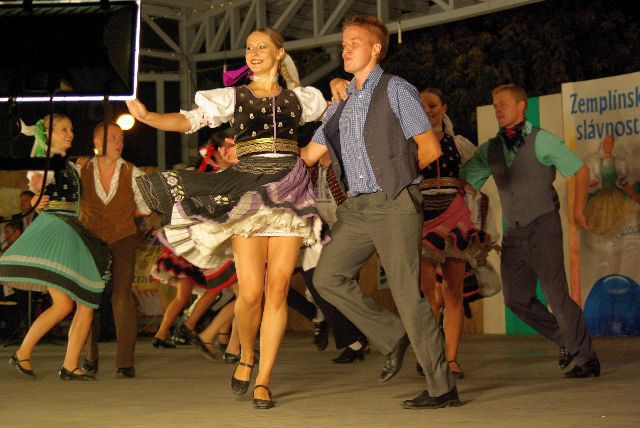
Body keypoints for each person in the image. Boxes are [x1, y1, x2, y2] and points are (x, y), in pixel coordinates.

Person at [126, 27, 327, 409]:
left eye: (262, 46)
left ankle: (264, 379)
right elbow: (189, 121)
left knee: (278, 289)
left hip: (289, 191)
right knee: (250, 294)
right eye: (249, 47)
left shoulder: (302, 99)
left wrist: (338, 89)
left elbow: (339, 116)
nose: (253, 52)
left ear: (279, 53)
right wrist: (148, 116)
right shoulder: (234, 97)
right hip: (247, 191)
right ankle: (246, 354)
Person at [300, 15, 459, 409]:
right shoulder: (340, 102)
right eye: (343, 43)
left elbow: (430, 149)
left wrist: (397, 179)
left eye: (354, 42)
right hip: (355, 208)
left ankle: (442, 388)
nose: (345, 49)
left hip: (393, 201)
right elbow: (309, 155)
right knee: (327, 277)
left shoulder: (397, 89)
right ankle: (392, 334)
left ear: (375, 49)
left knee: (407, 295)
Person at [460, 83, 600, 378]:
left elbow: (580, 170)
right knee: (516, 298)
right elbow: (465, 184)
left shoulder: (541, 140)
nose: (497, 109)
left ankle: (586, 359)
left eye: (503, 104)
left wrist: (578, 210)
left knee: (556, 296)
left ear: (521, 106)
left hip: (543, 226)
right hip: (513, 233)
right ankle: (567, 340)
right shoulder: (491, 149)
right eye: (495, 105)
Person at [0, 113, 111, 380]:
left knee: (77, 304)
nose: (70, 134)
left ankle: (51, 360)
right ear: (48, 135)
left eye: (71, 129)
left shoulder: (67, 165)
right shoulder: (45, 163)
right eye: (63, 130)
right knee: (76, 302)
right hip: (57, 231)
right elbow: (37, 187)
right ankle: (43, 358)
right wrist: (36, 197)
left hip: (71, 231)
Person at [416, 88, 490, 379]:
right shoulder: (410, 142)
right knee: (427, 294)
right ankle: (429, 354)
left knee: (453, 291)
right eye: (422, 106)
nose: (427, 110)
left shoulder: (457, 144)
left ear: (443, 108)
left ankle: (451, 358)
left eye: (433, 105)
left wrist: (467, 183)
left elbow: (479, 166)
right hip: (423, 217)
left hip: (454, 215)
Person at [150, 131, 239, 349]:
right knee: (240, 294)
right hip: (209, 247)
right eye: (230, 146)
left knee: (235, 293)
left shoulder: (224, 175)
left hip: (218, 245)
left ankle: (224, 340)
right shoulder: (212, 178)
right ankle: (202, 334)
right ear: (219, 152)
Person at [79, 122, 151, 379]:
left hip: (123, 237)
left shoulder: (132, 171)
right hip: (91, 239)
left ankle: (125, 361)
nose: (119, 142)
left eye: (121, 138)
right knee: (90, 296)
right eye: (112, 138)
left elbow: (147, 204)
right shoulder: (81, 169)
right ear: (97, 142)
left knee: (121, 296)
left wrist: (125, 214)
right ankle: (90, 355)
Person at [584, 134, 638, 235]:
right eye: (606, 143)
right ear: (603, 145)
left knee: (619, 224)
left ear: (613, 145)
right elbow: (596, 181)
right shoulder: (598, 164)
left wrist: (632, 194)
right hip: (602, 195)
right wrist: (584, 185)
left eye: (610, 143)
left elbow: (623, 181)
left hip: (616, 195)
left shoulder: (618, 163)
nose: (608, 146)